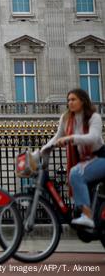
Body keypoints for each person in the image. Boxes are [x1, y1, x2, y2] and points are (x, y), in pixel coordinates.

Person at [43, 88, 105, 228]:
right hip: (86, 160)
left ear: (82, 101)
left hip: (100, 157)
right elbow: (57, 138)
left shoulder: (94, 117)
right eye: (68, 100)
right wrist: (40, 152)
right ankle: (84, 212)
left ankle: (87, 216)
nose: (70, 102)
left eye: (73, 99)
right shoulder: (66, 119)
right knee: (77, 173)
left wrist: (70, 138)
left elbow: (93, 137)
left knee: (76, 173)